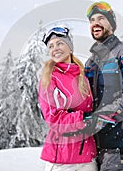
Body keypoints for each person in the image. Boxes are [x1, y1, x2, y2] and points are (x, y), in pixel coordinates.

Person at [84, 1, 123, 170]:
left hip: (120, 142)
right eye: (92, 20)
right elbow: (83, 99)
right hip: (95, 144)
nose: (95, 23)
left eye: (101, 18)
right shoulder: (91, 62)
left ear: (112, 24)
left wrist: (101, 119)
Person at [38, 26, 98, 171]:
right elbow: (53, 119)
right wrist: (83, 118)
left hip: (87, 156)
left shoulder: (82, 76)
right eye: (51, 46)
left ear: (70, 47)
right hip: (61, 159)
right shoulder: (49, 78)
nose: (55, 48)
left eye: (60, 43)